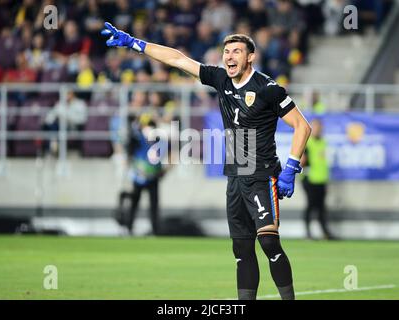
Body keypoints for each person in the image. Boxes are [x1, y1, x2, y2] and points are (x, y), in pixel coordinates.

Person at [101, 22, 312, 300]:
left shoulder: (268, 89)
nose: (230, 56)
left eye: (237, 51)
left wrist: (291, 169)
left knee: (269, 242)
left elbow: (302, 126)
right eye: (226, 51)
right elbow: (177, 59)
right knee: (242, 251)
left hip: (261, 174)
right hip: (235, 176)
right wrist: (135, 44)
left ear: (250, 56)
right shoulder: (220, 79)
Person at [117, 115, 165, 236]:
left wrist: (163, 170)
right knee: (133, 204)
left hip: (153, 177)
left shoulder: (158, 140)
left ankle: (155, 230)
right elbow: (129, 152)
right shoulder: (137, 140)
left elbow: (167, 155)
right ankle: (128, 228)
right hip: (138, 177)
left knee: (154, 205)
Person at [301, 118, 334, 240]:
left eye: (319, 127)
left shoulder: (323, 142)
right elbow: (302, 160)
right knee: (311, 206)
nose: (318, 130)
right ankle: (308, 233)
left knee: (321, 207)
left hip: (321, 179)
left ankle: (325, 232)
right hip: (309, 179)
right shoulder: (307, 142)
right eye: (315, 127)